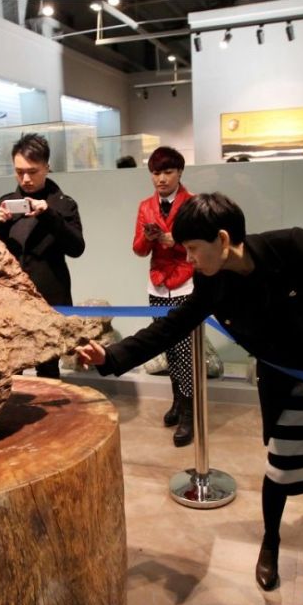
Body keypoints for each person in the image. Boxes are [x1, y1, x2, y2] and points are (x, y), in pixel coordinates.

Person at [75, 193, 303, 599]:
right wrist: (112, 355)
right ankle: (271, 542)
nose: (189, 259)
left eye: (193, 248)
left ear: (223, 240)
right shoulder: (215, 280)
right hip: (282, 384)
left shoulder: (294, 247)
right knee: (280, 467)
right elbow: (171, 325)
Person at [0, 133, 85, 379]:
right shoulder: (5, 203)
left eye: (32, 171)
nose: (25, 179)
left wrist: (49, 215)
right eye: (19, 171)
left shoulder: (63, 204)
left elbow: (76, 248)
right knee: (11, 366)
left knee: (48, 366)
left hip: (49, 295)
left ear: (46, 167)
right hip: (11, 296)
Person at [132, 146, 197, 446]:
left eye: (168, 172)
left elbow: (204, 244)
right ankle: (177, 402)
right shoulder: (146, 206)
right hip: (157, 284)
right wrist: (149, 238)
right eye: (156, 173)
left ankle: (189, 412)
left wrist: (176, 241)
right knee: (167, 347)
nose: (161, 179)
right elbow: (138, 249)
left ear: (180, 172)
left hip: (186, 283)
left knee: (185, 350)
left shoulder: (193, 203)